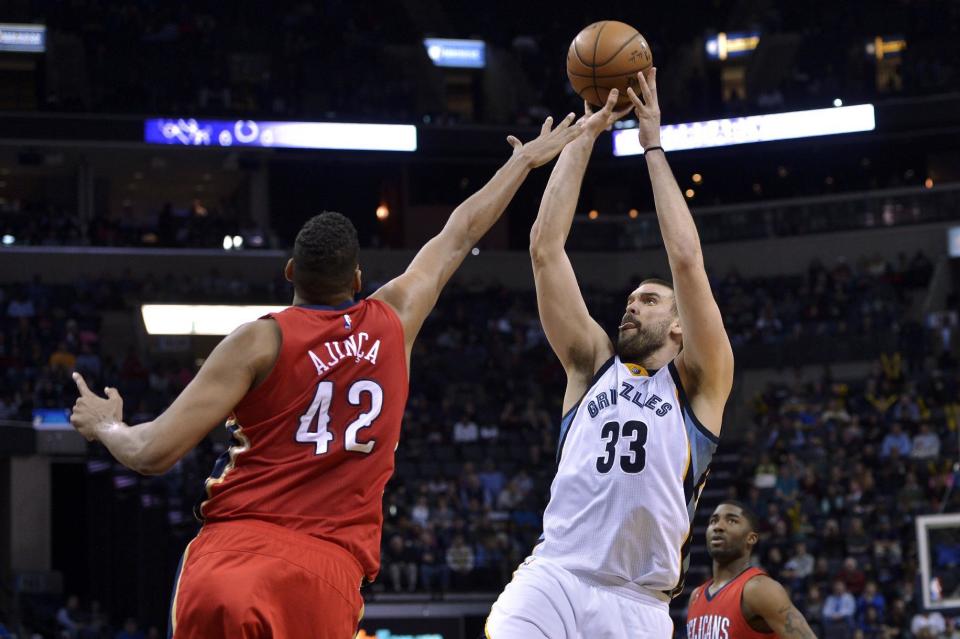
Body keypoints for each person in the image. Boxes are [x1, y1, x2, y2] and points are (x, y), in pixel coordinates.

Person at [69, 114, 583, 639]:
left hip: (229, 560)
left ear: (290, 272)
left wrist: (107, 424)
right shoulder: (395, 319)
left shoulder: (259, 340)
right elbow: (461, 231)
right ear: (358, 278)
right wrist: (523, 160)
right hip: (323, 573)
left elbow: (152, 452)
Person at [486, 69, 735, 638]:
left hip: (639, 602)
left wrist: (652, 145)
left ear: (678, 327)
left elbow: (687, 260)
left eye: (648, 300)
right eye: (630, 299)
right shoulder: (591, 364)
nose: (632, 306)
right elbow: (545, 249)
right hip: (555, 577)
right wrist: (586, 137)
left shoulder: (700, 384)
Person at [687, 501, 819, 639]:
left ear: (751, 538)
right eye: (713, 521)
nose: (718, 526)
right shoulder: (696, 596)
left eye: (731, 521)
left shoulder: (759, 589)